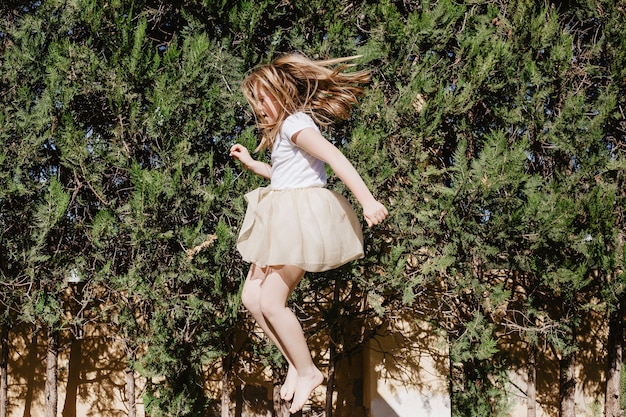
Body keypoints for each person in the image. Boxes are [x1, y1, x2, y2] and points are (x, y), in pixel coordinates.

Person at [229, 53, 388, 414]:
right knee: (252, 299)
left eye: (263, 100)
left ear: (281, 92)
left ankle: (308, 371)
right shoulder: (286, 129)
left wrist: (367, 201)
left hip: (299, 222)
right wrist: (255, 165)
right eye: (255, 104)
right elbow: (287, 177)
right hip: (282, 216)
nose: (259, 110)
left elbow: (335, 158)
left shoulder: (295, 125)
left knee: (270, 301)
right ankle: (296, 365)